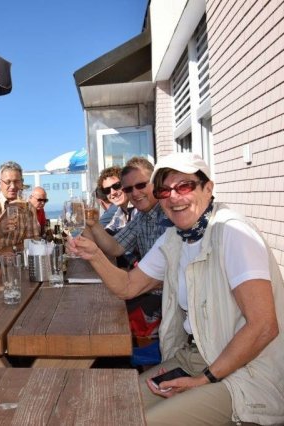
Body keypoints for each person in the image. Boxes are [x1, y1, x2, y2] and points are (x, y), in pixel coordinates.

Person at [68, 152, 284, 425]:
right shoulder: (176, 237)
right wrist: (94, 256)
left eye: (184, 186)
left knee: (135, 420)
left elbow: (264, 326)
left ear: (208, 188)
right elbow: (128, 286)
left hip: (248, 371)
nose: (173, 197)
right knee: (110, 406)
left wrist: (204, 379)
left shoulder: (232, 231)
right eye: (164, 190)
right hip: (197, 356)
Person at [0, 161, 39, 253]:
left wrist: (12, 249)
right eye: (8, 182)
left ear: (22, 183)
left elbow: (33, 241)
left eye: (16, 181)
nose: (13, 186)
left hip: (19, 260)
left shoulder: (28, 207)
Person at [96, 166, 132, 235]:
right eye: (107, 190)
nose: (113, 193)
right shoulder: (120, 212)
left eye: (116, 186)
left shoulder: (137, 207)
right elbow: (106, 233)